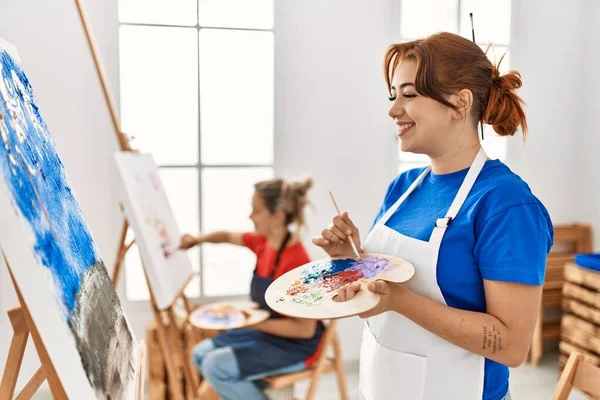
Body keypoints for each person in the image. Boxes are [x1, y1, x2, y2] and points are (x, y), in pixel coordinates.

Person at [312, 32, 553, 400]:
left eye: (409, 94)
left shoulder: (506, 205)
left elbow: (511, 346)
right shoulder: (403, 188)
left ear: (460, 102)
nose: (394, 109)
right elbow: (379, 296)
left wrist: (399, 300)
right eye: (393, 96)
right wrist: (352, 258)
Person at [181, 177, 324, 400]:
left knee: (214, 366)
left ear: (277, 217)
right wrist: (197, 240)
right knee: (199, 354)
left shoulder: (297, 262)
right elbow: (227, 236)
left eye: (256, 211)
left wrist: (252, 321)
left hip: (296, 345)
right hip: (265, 333)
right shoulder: (262, 242)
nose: (250, 216)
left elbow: (304, 330)